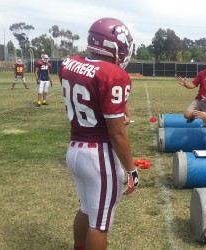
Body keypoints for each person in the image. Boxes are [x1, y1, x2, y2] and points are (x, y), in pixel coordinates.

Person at [58, 17, 139, 250]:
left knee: (86, 208)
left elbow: (96, 94)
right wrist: (132, 169)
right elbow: (117, 134)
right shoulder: (113, 74)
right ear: (114, 46)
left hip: (75, 149)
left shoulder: (70, 63)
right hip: (98, 154)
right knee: (100, 223)